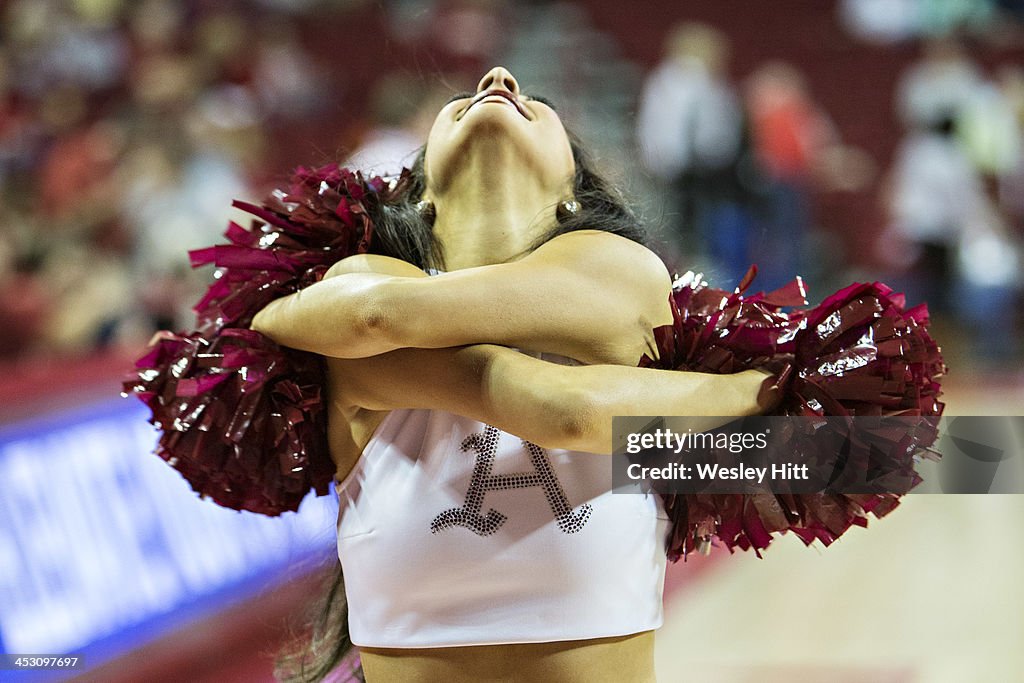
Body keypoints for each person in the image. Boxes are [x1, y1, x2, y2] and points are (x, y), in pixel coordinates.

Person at [251, 66, 772, 682]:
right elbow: (380, 315)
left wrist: (275, 316)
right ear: (418, 192)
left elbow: (564, 410)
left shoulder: (623, 271)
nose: (497, 79)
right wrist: (750, 393)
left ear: (573, 192)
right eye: (460, 98)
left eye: (538, 100)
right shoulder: (361, 276)